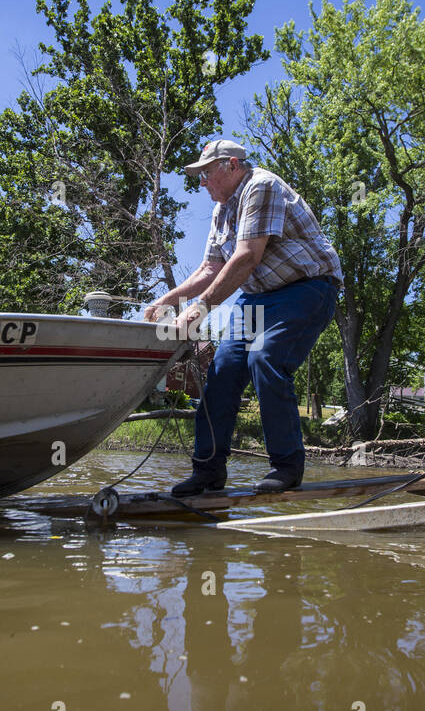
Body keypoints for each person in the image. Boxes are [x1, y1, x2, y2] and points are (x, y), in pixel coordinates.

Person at [144, 139, 343, 496]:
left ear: (232, 165)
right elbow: (210, 267)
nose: (201, 182)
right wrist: (169, 300)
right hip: (258, 299)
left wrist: (199, 308)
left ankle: (286, 467)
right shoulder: (222, 209)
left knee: (265, 358)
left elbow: (247, 257)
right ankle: (207, 472)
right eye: (199, 176)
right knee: (221, 371)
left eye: (206, 174)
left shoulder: (261, 185)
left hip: (306, 287)